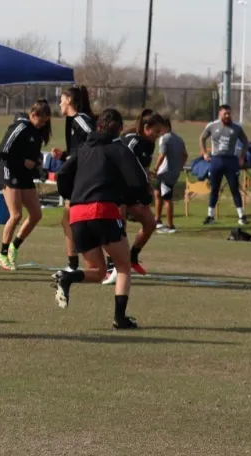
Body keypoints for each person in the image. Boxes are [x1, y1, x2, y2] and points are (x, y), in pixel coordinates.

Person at [52, 108, 148, 330]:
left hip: (77, 213)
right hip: (103, 211)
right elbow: (139, 181)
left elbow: (63, 173)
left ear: (98, 127)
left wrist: (70, 195)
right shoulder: (119, 148)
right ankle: (120, 319)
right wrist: (134, 199)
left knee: (99, 272)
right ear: (120, 129)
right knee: (124, 266)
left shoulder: (83, 148)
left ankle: (67, 278)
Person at [102, 110, 164, 284]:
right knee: (118, 226)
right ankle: (110, 267)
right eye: (156, 131)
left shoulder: (149, 145)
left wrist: (147, 188)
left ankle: (132, 257)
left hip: (132, 191)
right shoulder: (132, 141)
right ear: (146, 128)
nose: (158, 136)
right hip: (117, 186)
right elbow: (120, 163)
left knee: (150, 223)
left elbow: (142, 169)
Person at [0, 100, 51, 270]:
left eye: (45, 122)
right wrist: (23, 161)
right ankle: (2, 254)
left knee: (36, 214)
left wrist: (38, 168)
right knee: (16, 215)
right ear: (33, 115)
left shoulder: (36, 132)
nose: (43, 125)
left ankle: (14, 246)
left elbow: (32, 157)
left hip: (24, 176)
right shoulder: (19, 127)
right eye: (41, 121)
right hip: (9, 172)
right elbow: (2, 150)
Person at [52, 85, 94, 272]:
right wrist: (64, 156)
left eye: (61, 98)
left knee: (82, 221)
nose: (59, 102)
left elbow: (94, 139)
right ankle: (73, 265)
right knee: (69, 221)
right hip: (78, 177)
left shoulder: (80, 119)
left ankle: (109, 265)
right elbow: (79, 151)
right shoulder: (72, 121)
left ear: (69, 100)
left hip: (83, 179)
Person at [200, 105, 250, 226]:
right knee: (214, 189)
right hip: (216, 160)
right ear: (219, 115)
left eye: (229, 114)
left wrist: (242, 156)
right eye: (225, 114)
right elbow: (202, 138)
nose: (227, 116)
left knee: (234, 189)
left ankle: (241, 216)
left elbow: (245, 141)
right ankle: (210, 216)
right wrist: (205, 153)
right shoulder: (212, 126)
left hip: (231, 161)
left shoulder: (236, 128)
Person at [154, 117, 187, 233]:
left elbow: (162, 155)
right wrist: (179, 167)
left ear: (165, 126)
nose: (157, 129)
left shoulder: (164, 138)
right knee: (157, 193)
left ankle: (170, 225)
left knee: (167, 198)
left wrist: (155, 169)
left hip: (165, 173)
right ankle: (157, 220)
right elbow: (185, 155)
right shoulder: (179, 139)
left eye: (159, 126)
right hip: (173, 172)